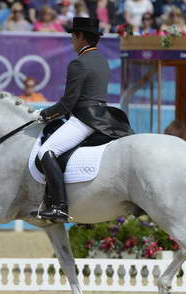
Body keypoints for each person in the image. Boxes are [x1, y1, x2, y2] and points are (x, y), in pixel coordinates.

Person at [32, 17, 134, 222]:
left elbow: (67, 104)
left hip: (84, 118)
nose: (71, 40)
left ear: (80, 37)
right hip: (103, 115)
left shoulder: (78, 63)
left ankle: (59, 206)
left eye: (73, 36)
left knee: (46, 151)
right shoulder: (102, 60)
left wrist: (43, 114)